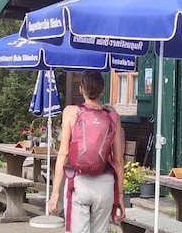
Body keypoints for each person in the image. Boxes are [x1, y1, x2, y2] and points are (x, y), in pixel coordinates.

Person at [49, 71, 125, 232]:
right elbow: (118, 159)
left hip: (78, 183)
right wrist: (120, 197)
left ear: (80, 89)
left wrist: (55, 193)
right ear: (103, 90)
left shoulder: (71, 112)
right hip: (105, 185)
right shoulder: (113, 116)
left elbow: (63, 154)